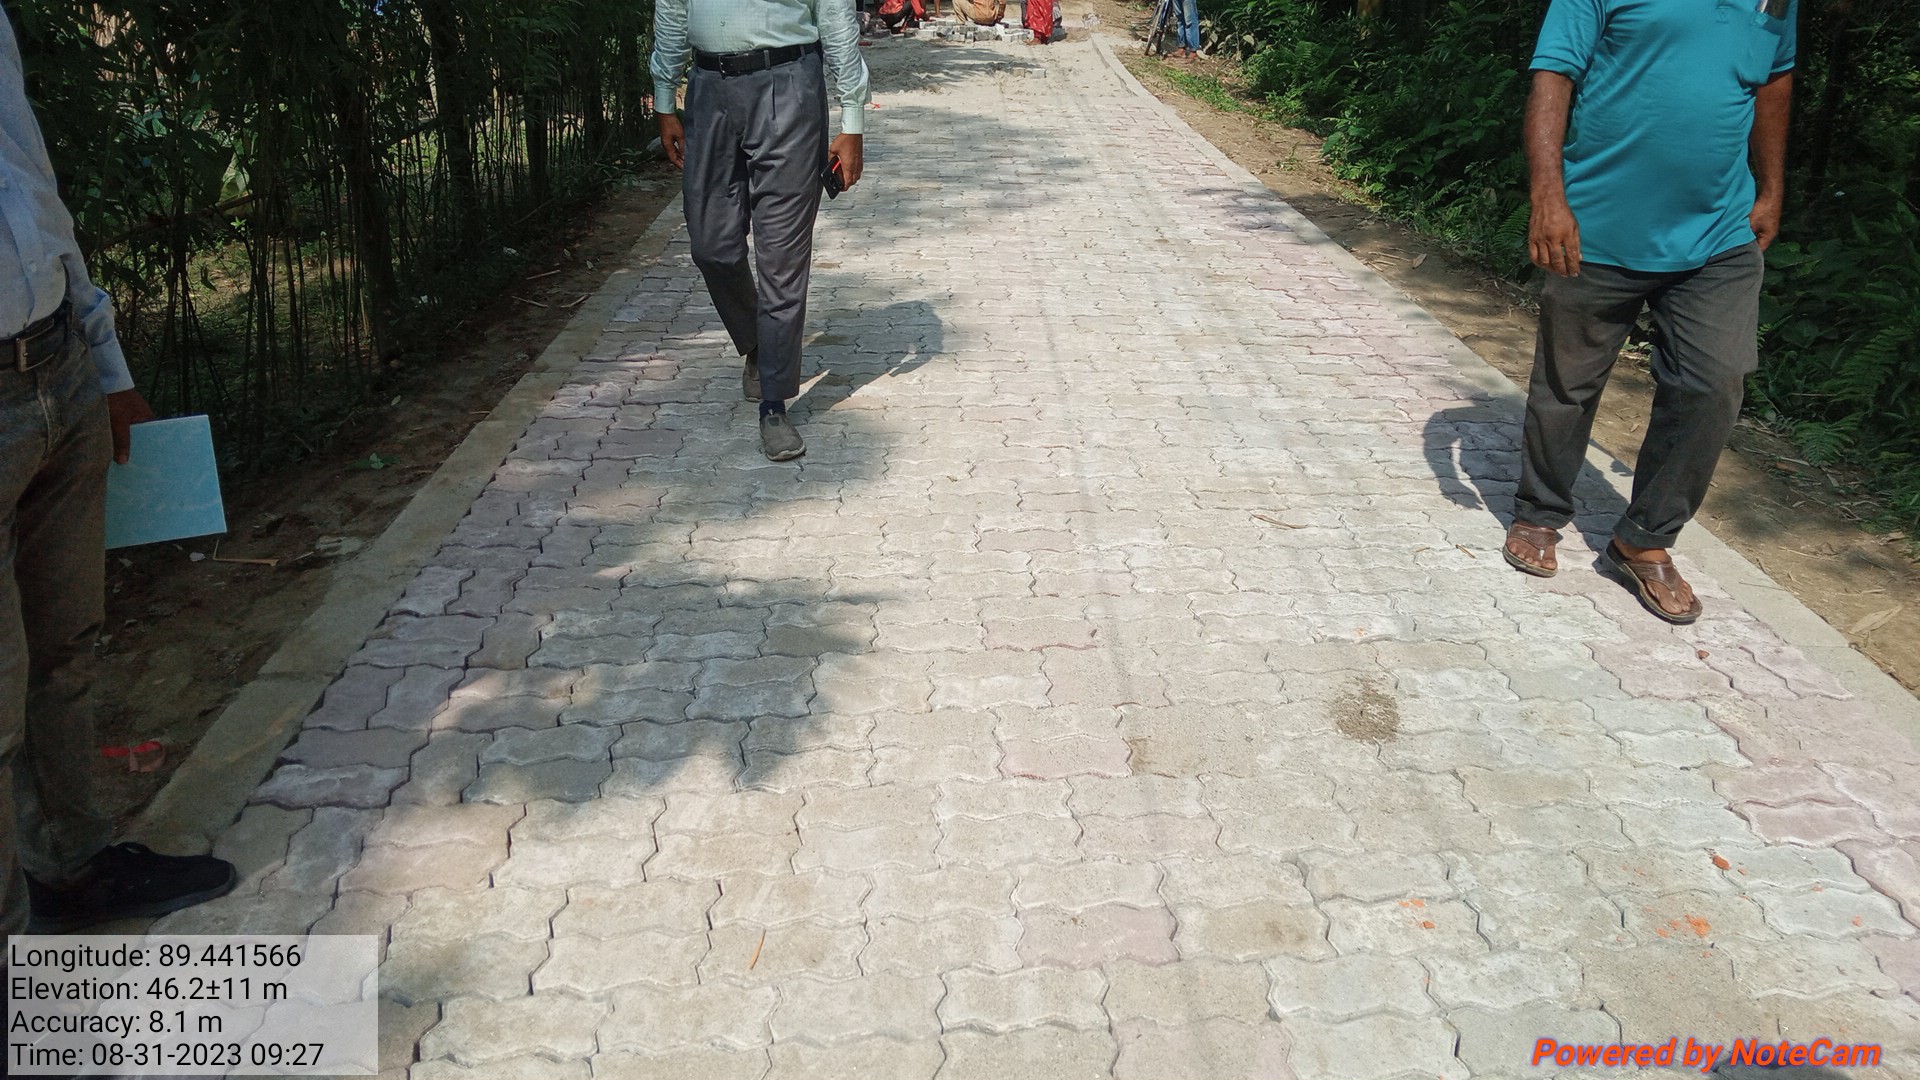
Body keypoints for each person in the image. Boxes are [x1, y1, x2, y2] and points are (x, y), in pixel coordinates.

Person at [0, 6, 237, 935]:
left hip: (55, 364)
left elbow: (34, 184)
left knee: (64, 650)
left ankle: (73, 870)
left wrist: (103, 362)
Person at [1503, 0, 1796, 624]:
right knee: (1567, 384)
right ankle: (1541, 511)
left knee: (1714, 381)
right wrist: (1548, 196)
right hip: (1598, 226)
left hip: (1719, 233)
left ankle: (1644, 537)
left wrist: (1772, 188)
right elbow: (1554, 75)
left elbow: (1774, 78)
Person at [652, 0, 871, 462]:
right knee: (711, 246)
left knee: (781, 258)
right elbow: (672, 8)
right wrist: (664, 96)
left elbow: (835, 14)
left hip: (788, 87)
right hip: (708, 89)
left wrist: (852, 117)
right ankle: (757, 342)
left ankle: (773, 404)